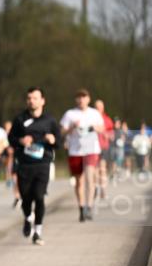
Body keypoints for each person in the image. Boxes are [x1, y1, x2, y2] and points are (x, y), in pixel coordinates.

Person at [9, 87, 60, 246]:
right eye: (29, 98)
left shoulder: (50, 121)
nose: (32, 101)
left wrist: (52, 140)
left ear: (42, 101)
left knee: (39, 197)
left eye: (35, 98)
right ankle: (27, 217)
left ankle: (37, 232)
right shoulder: (20, 119)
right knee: (26, 198)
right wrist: (20, 141)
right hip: (24, 164)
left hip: (43, 163)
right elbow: (10, 138)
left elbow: (59, 142)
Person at [59, 89, 105, 222]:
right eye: (79, 97)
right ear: (76, 100)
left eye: (84, 97)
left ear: (88, 99)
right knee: (79, 181)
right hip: (75, 150)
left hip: (91, 149)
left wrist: (95, 128)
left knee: (90, 177)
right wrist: (71, 127)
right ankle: (81, 207)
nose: (81, 100)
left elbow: (102, 129)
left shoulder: (94, 113)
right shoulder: (70, 114)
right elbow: (61, 131)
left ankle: (89, 207)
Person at [94, 99, 114, 199]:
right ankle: (96, 189)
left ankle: (103, 190)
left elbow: (112, 134)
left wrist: (108, 135)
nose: (98, 109)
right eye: (96, 107)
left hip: (103, 147)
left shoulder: (107, 119)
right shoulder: (91, 118)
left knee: (102, 169)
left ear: (103, 108)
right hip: (92, 147)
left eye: (100, 107)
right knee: (95, 169)